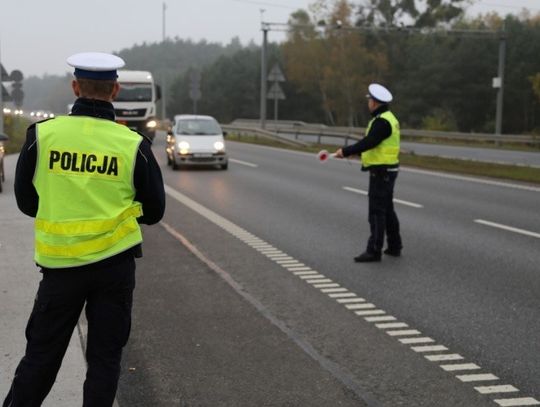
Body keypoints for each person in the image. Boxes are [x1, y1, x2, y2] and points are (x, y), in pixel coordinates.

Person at [4, 52, 166, 406]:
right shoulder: (133, 145)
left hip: (60, 269)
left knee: (40, 359)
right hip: (114, 269)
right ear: (116, 90)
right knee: (104, 362)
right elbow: (155, 211)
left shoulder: (42, 136)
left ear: (75, 87)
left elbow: (25, 201)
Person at [334, 83, 402, 263]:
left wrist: (346, 151)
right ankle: (395, 246)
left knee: (376, 212)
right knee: (387, 209)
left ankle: (374, 250)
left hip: (382, 172)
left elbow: (370, 141)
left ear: (375, 102)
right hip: (388, 169)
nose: (368, 103)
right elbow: (375, 144)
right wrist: (356, 152)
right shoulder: (388, 118)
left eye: (369, 100)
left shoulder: (381, 122)